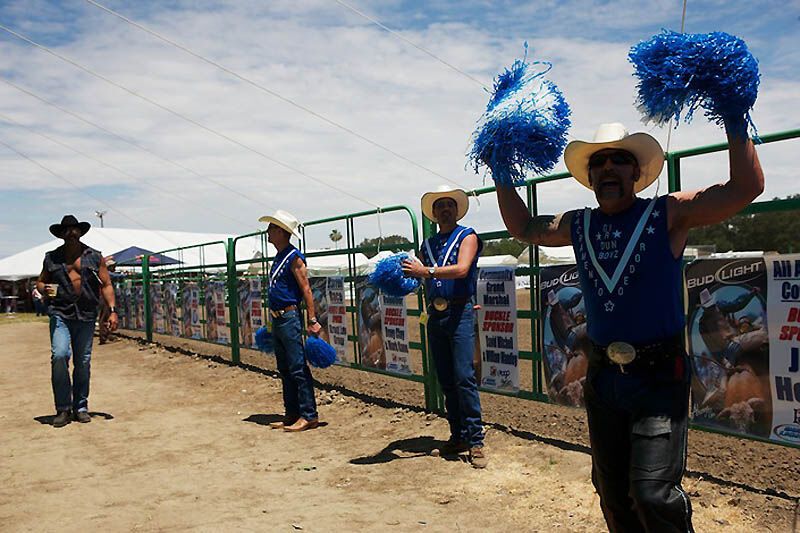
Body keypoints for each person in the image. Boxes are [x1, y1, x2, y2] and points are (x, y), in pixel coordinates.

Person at [497, 119, 763, 531]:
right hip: (603, 378)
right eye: (599, 162)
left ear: (636, 171)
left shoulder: (666, 213)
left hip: (658, 376)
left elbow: (744, 189)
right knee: (611, 491)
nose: (608, 168)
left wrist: (733, 115)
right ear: (589, 176)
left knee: (653, 492)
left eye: (619, 160)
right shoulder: (578, 224)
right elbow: (523, 227)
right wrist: (500, 165)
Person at [402, 185, 487, 469]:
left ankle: (476, 440)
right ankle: (458, 435)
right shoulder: (427, 246)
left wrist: (425, 271)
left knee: (464, 376)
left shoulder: (468, 236)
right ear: (434, 213)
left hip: (460, 311)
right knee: (447, 379)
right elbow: (417, 277)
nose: (445, 209)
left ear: (457, 210)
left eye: (449, 204)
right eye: (440, 206)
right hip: (436, 314)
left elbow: (462, 269)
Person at [37, 215, 118, 428]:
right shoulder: (52, 258)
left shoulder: (94, 256)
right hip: (60, 313)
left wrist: (112, 311)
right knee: (60, 355)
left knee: (82, 362)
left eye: (75, 230)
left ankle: (80, 407)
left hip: (86, 314)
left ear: (80, 232)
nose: (71, 233)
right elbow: (41, 282)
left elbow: (106, 284)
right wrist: (45, 289)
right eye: (67, 230)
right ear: (61, 234)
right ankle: (63, 408)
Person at [258, 210, 321, 432]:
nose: (268, 232)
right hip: (279, 317)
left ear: (281, 232)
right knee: (285, 367)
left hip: (289, 317)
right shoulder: (281, 256)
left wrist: (312, 318)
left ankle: (308, 414)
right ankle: (292, 412)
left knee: (296, 367)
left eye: (272, 228)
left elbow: (306, 289)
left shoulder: (293, 257)